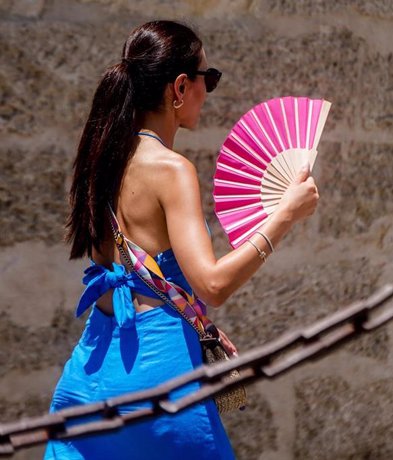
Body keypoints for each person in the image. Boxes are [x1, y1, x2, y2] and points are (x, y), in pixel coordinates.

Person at [44, 20, 319, 460]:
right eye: (207, 78)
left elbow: (136, 273)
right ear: (179, 87)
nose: (208, 90)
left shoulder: (103, 156)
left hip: (90, 369)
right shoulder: (171, 169)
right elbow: (213, 285)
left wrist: (192, 315)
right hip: (158, 373)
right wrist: (286, 213)